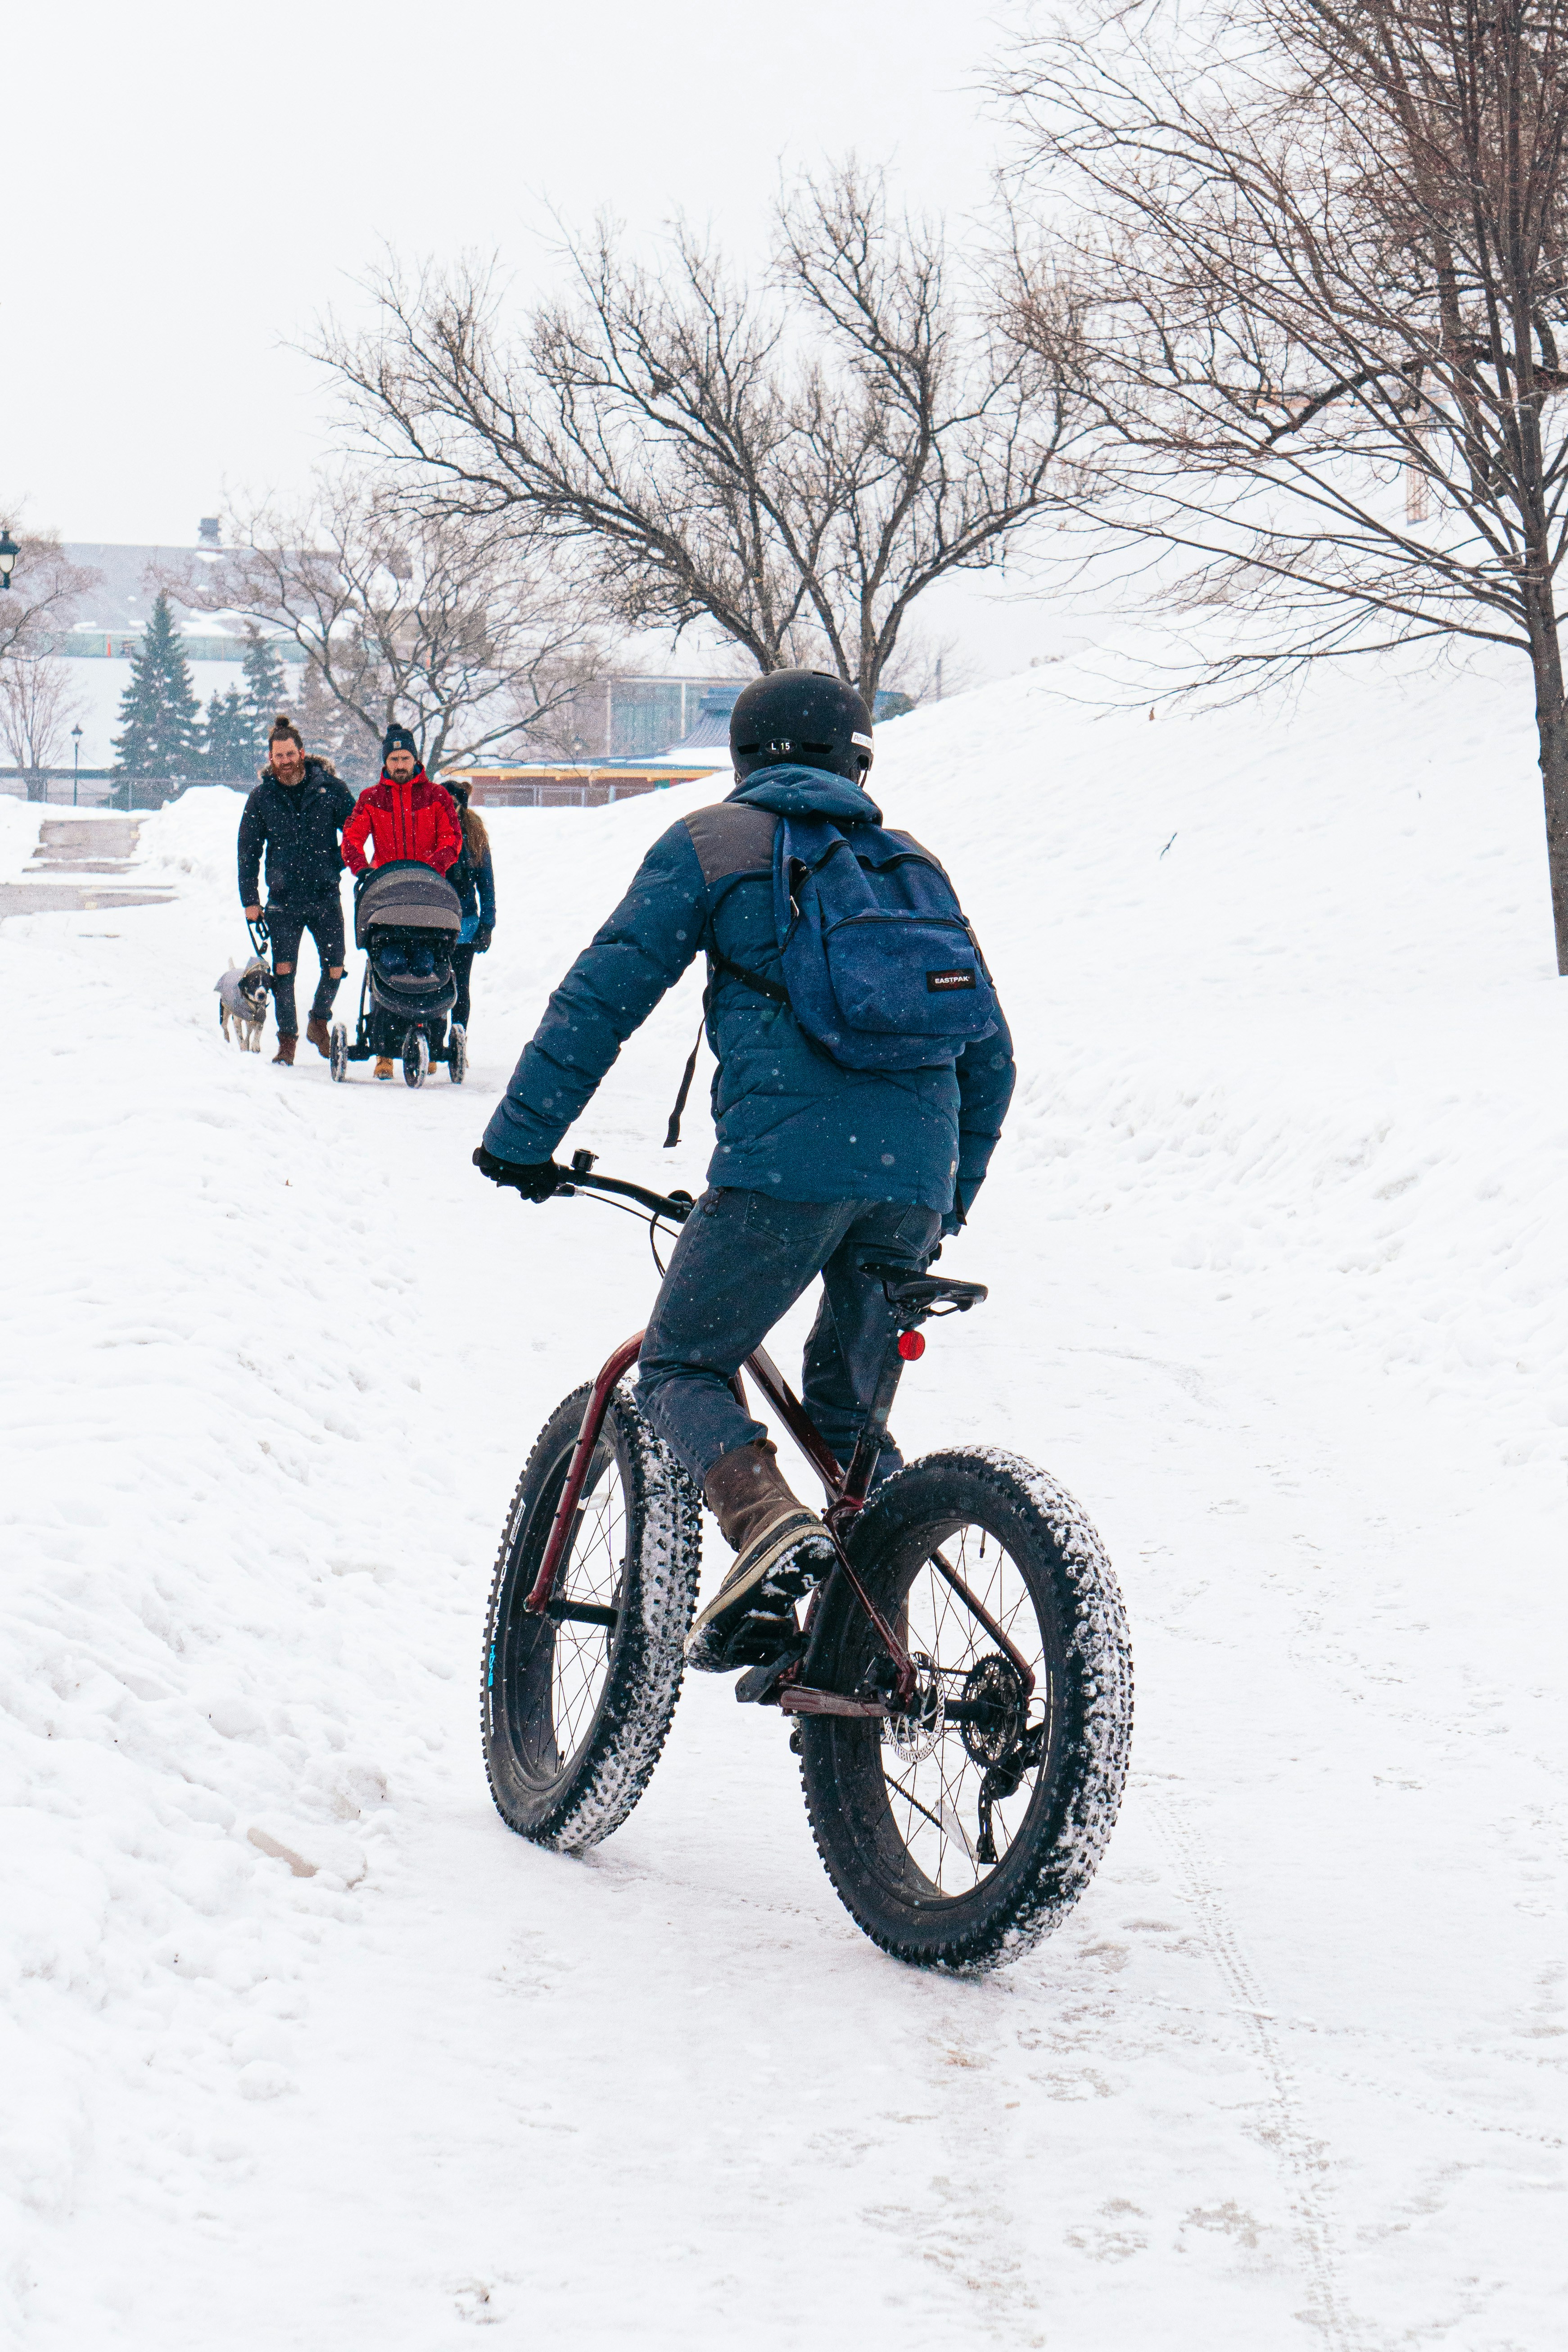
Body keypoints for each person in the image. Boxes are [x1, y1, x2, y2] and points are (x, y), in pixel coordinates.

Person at [472, 669, 1015, 1675]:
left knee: (682, 1360)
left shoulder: (710, 845)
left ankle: (763, 1521)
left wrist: (520, 1136)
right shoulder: (911, 864)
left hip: (781, 1171)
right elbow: (991, 1056)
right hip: (914, 1180)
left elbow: (603, 996)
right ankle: (870, 1635)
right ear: (857, 761)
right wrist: (947, 1202)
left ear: (745, 756)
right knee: (847, 1420)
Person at [341, 724, 465, 1078]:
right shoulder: (370, 799)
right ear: (386, 761)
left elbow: (451, 837)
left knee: (427, 966)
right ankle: (383, 1051)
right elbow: (352, 838)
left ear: (415, 759)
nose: (400, 764)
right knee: (390, 966)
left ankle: (432, 1040)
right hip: (387, 900)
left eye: (405, 758)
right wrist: (362, 870)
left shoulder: (437, 797)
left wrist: (436, 868)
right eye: (394, 759)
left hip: (428, 901)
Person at [238, 714, 357, 1067]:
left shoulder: (330, 789)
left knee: (335, 966)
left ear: (301, 753)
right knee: (284, 972)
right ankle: (286, 1041)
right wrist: (251, 900)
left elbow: (354, 831)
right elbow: (248, 852)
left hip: (324, 896)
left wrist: (334, 863)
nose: (286, 762)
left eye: (291, 754)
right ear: (271, 759)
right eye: (279, 756)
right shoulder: (262, 798)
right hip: (283, 901)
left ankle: (318, 1021)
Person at [445, 779, 496, 1035]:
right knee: (434, 985)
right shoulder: (429, 827)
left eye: (453, 804)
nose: (448, 809)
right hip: (433, 919)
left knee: (460, 984)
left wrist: (487, 925)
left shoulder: (474, 833)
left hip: (465, 923)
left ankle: (458, 1041)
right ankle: (433, 1043)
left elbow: (486, 884)